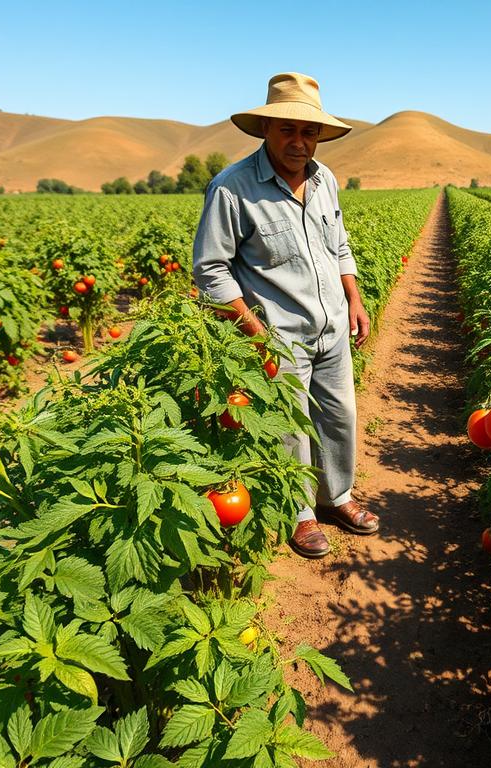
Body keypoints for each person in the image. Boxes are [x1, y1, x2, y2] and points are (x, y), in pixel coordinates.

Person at [192, 72, 379, 559]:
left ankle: (337, 496)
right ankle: (300, 514)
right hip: (277, 337)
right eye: (288, 130)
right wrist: (256, 333)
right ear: (266, 129)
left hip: (332, 327)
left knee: (339, 417)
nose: (299, 142)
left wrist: (355, 300)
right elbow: (210, 270)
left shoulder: (324, 180)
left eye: (309, 132)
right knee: (290, 428)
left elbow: (339, 246)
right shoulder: (232, 188)